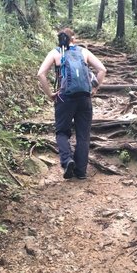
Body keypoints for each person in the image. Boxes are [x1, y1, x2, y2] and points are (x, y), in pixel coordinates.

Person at [37, 28, 106, 179]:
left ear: (60, 40)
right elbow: (102, 69)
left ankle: (67, 160)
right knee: (83, 135)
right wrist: (94, 89)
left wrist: (50, 94)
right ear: (73, 39)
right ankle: (81, 172)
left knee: (62, 132)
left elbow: (40, 74)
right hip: (84, 98)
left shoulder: (55, 53)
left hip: (64, 98)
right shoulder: (83, 52)